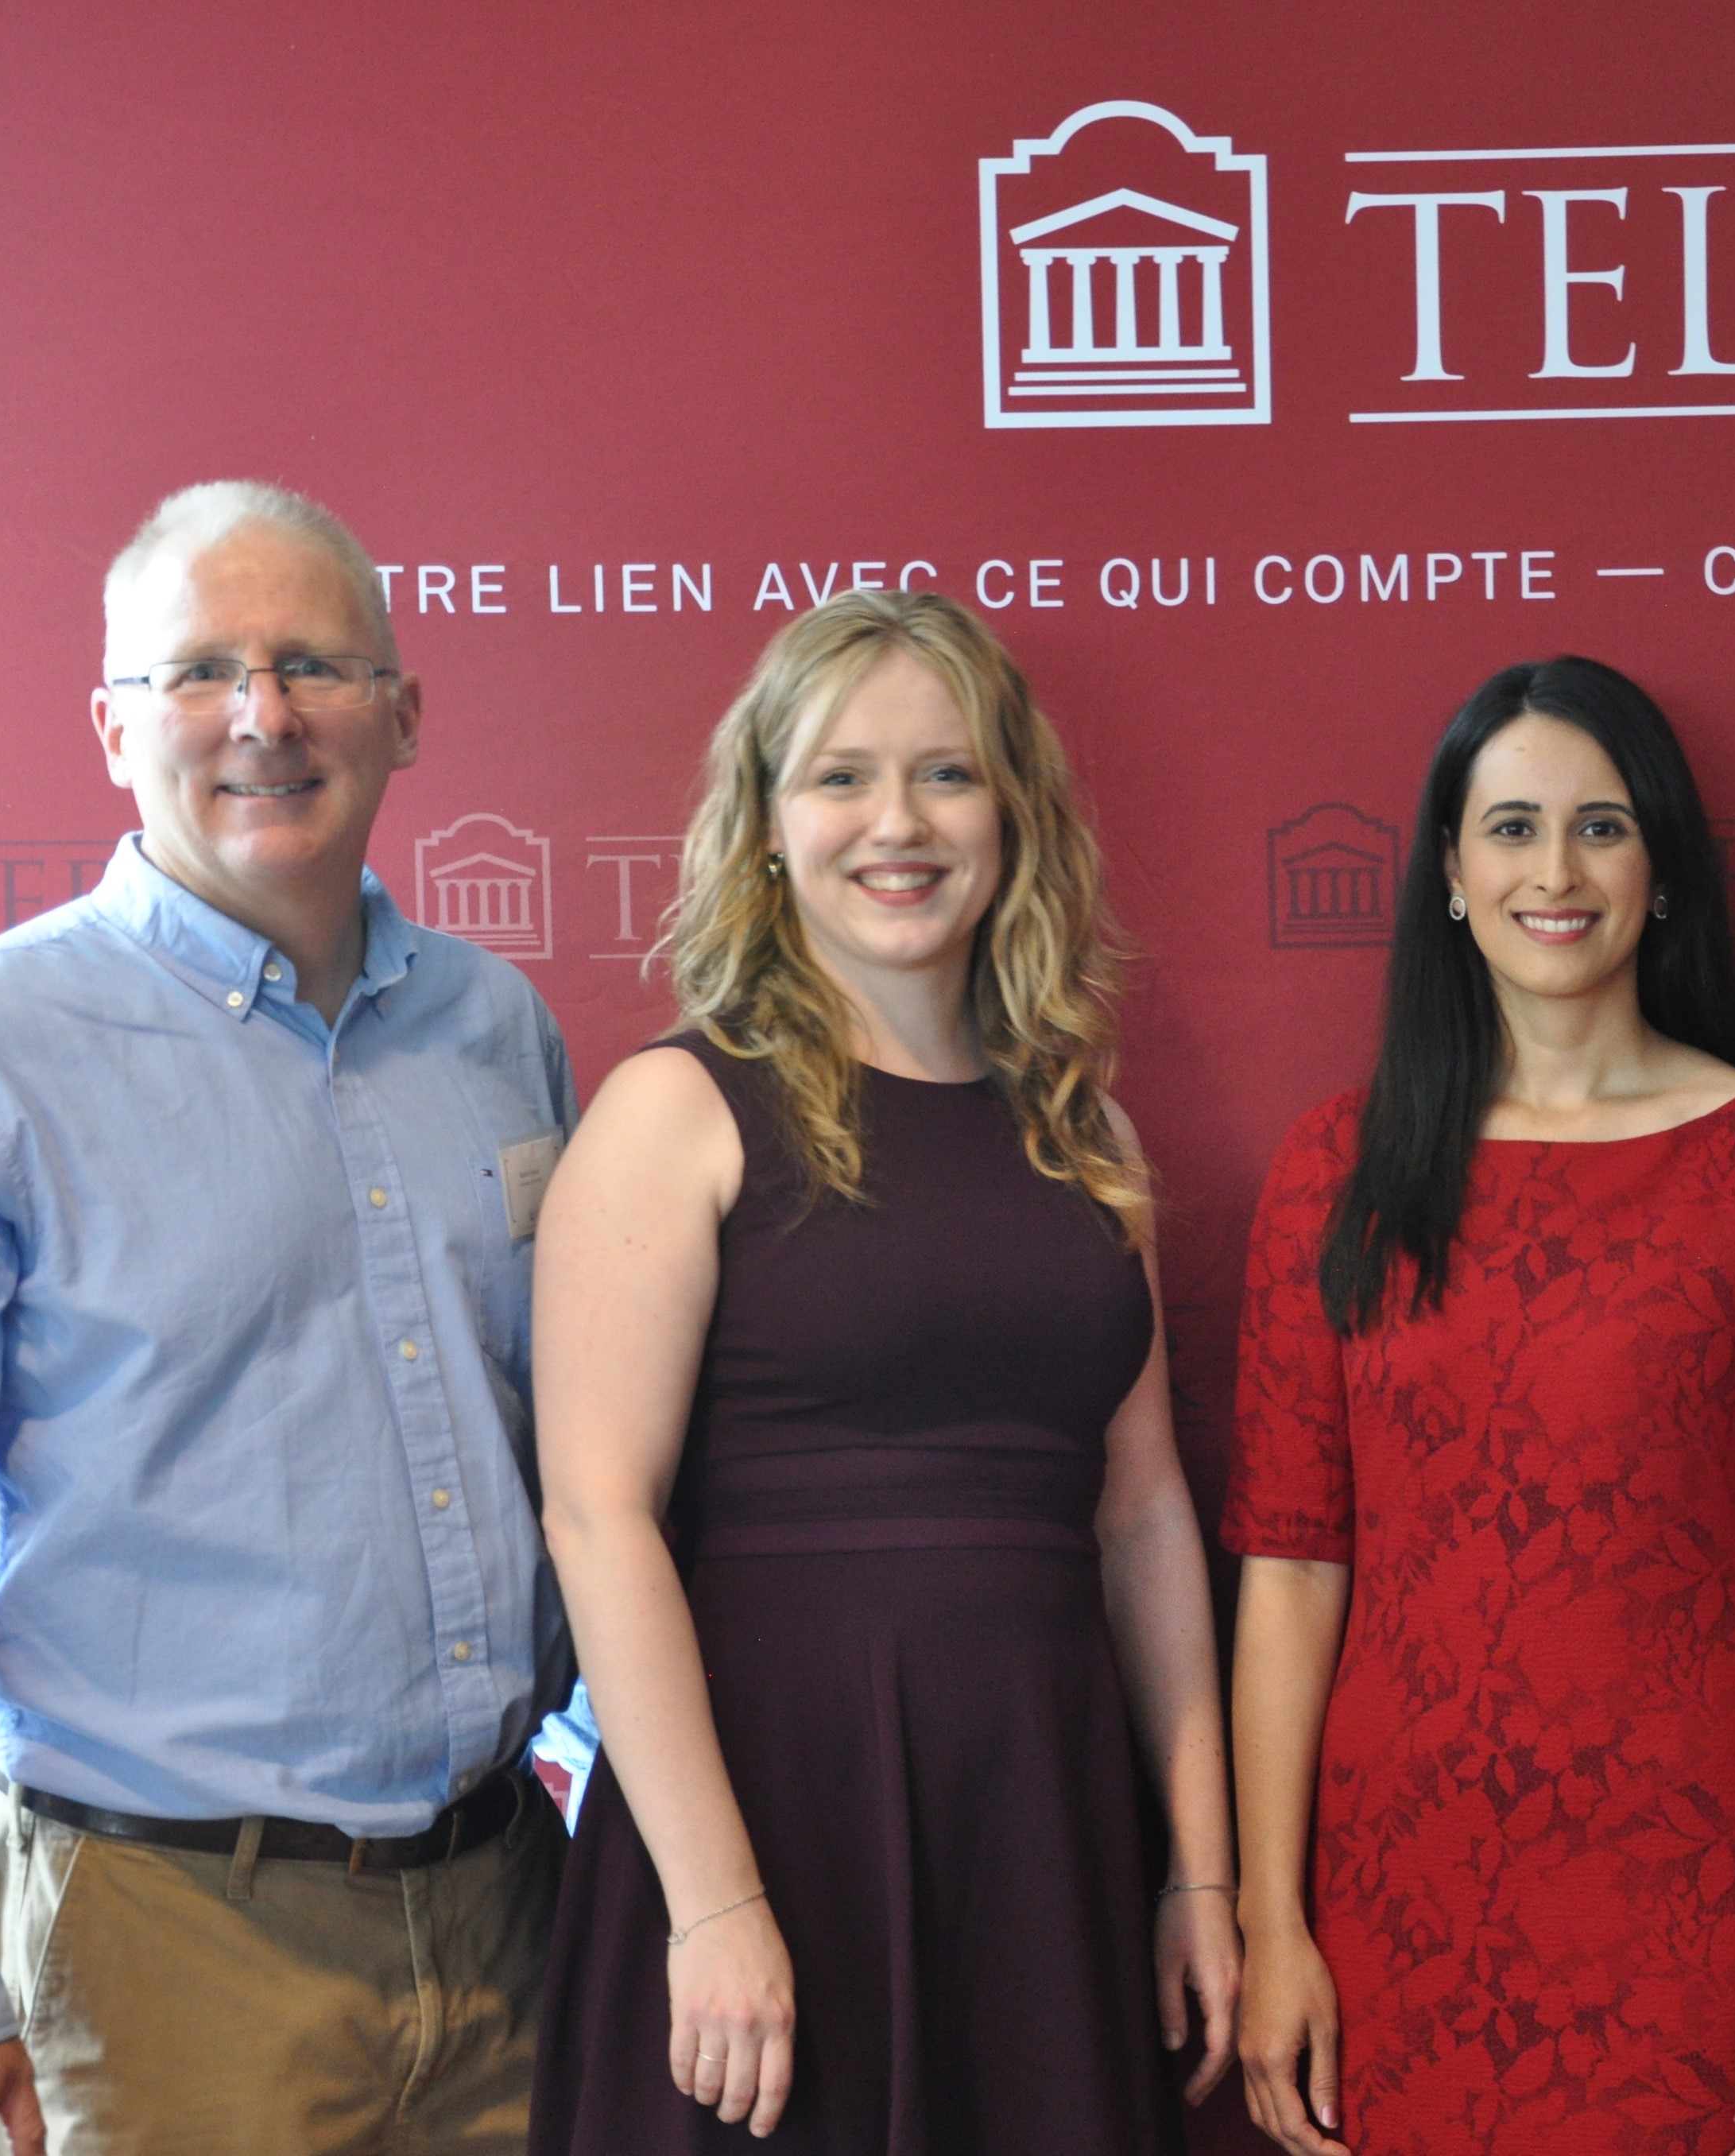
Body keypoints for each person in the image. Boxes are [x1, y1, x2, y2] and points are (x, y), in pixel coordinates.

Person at [0, 481, 575, 2155]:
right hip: (159, 1946)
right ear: (113, 728)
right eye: (199, 672)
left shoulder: (501, 1028)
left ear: (404, 715)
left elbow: (578, 1453)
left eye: (313, 665)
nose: (262, 716)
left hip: (515, 1921)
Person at [524, 589, 1237, 2152]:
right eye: (841, 776)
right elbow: (596, 1516)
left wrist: (1199, 1874)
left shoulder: (1087, 1136)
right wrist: (712, 1905)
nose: (895, 822)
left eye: (946, 773)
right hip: (765, 1821)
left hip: (1039, 1827)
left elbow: (1143, 1521)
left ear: (1014, 813)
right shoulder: (673, 1113)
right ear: (769, 823)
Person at [1225, 657, 1735, 2156]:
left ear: (1661, 867)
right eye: (1511, 826)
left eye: (1601, 826)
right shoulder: (1335, 1168)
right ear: (1450, 873)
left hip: (1704, 1890)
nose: (1556, 870)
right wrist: (1277, 1922)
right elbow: (1289, 1572)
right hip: (1398, 1887)